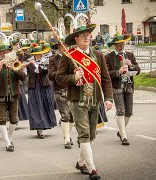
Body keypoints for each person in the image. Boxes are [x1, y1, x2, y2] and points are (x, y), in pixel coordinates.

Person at [56, 24, 113, 180]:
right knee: (84, 133)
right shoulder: (68, 55)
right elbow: (59, 78)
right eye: (84, 36)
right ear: (76, 39)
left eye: (89, 35)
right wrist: (74, 78)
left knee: (91, 134)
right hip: (77, 100)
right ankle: (92, 169)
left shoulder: (98, 55)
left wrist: (108, 98)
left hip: (95, 100)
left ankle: (81, 162)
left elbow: (106, 79)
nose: (88, 37)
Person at [0, 43, 27, 152]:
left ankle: (9, 138)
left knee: (14, 120)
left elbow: (24, 77)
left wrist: (14, 69)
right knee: (2, 119)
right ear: (0, 53)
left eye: (7, 52)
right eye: (3, 52)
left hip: (14, 94)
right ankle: (7, 143)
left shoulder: (15, 62)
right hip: (0, 95)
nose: (5, 54)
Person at [105, 35, 140, 145]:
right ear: (115, 45)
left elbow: (138, 70)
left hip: (129, 87)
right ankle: (124, 136)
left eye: (123, 43)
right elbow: (106, 74)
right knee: (120, 110)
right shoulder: (108, 57)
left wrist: (132, 66)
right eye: (120, 43)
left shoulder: (129, 55)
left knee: (128, 112)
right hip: (117, 87)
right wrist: (118, 72)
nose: (122, 45)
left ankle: (121, 131)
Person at [25, 44, 56, 139]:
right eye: (37, 54)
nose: (39, 56)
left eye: (40, 54)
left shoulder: (46, 61)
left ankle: (46, 124)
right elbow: (25, 75)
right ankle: (39, 129)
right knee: (36, 108)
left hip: (44, 87)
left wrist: (35, 64)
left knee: (45, 106)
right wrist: (25, 68)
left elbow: (44, 71)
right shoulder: (29, 62)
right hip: (34, 88)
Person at [49, 40, 75, 149]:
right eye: (62, 46)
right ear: (58, 47)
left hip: (72, 89)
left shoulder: (72, 57)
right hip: (60, 90)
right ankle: (67, 139)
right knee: (65, 115)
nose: (65, 48)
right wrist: (61, 72)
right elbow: (50, 75)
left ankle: (67, 134)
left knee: (73, 117)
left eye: (66, 46)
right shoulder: (53, 59)